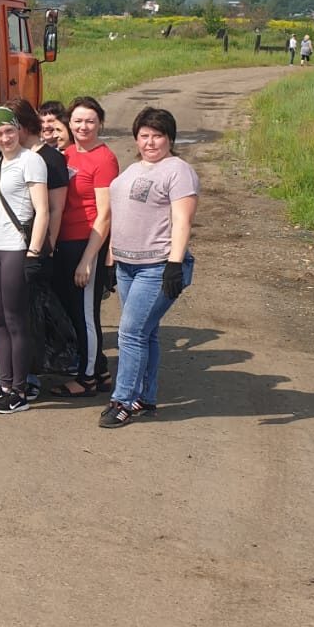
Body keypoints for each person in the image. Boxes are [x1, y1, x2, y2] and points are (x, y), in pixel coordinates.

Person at [100, 107, 199, 427]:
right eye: (144, 135)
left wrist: (174, 264)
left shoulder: (177, 170)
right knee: (146, 334)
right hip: (127, 264)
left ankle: (123, 399)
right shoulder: (132, 170)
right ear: (136, 138)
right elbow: (121, 216)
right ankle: (146, 396)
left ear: (170, 138)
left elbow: (183, 220)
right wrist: (110, 260)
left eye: (158, 135)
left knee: (129, 333)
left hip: (157, 266)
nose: (151, 142)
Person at [0, 106, 50, 413]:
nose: (5, 138)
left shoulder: (31, 161)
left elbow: (42, 210)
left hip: (18, 248)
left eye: (9, 131)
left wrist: (33, 251)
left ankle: (19, 390)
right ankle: (4, 384)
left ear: (18, 129)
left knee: (17, 320)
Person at [49, 96, 119, 397]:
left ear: (100, 123)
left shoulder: (104, 158)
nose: (83, 126)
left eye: (90, 120)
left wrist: (89, 259)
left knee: (86, 315)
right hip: (65, 241)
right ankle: (100, 372)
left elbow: (105, 214)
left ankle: (88, 379)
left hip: (87, 242)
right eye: (77, 121)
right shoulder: (66, 154)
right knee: (74, 311)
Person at [9, 97, 69, 397]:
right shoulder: (10, 155)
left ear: (22, 126)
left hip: (36, 246)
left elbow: (56, 210)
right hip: (7, 246)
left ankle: (31, 376)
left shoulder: (51, 159)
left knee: (32, 313)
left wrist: (48, 248)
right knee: (12, 311)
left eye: (10, 126)